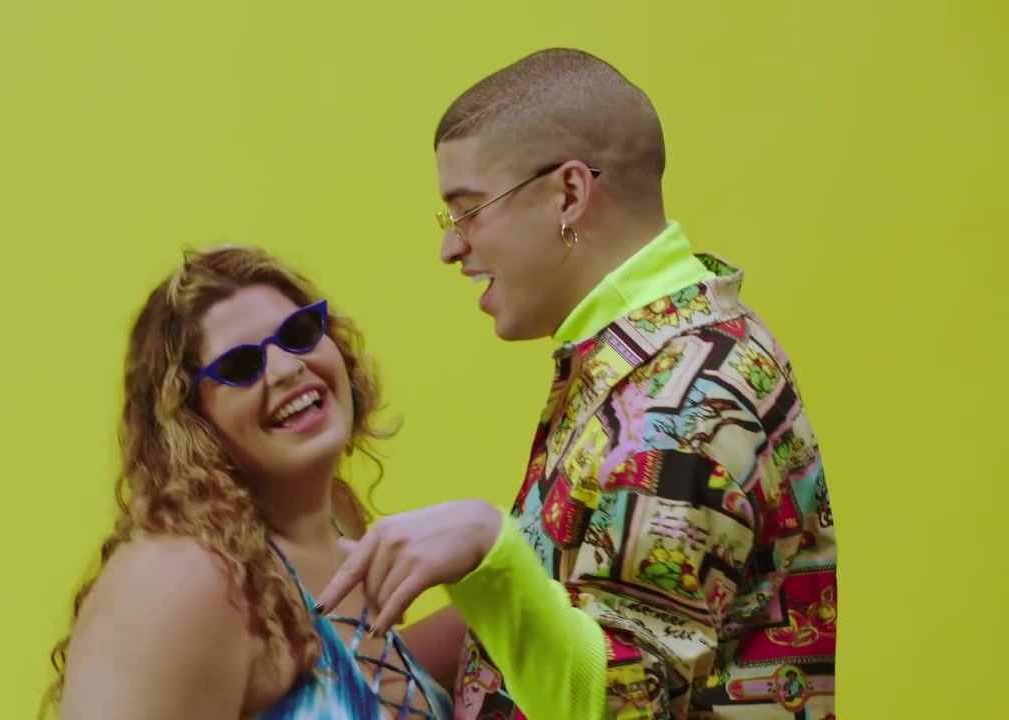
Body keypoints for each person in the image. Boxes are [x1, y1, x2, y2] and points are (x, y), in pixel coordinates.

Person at [318, 48, 837, 719]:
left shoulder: (680, 405)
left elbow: (626, 706)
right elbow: (577, 613)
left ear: (569, 194)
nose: (451, 247)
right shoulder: (660, 357)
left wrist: (489, 553)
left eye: (468, 210)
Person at [45, 246, 455, 719]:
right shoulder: (180, 579)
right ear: (190, 421)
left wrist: (507, 558)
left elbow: (366, 691)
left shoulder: (334, 524)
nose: (287, 368)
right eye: (240, 366)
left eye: (300, 333)